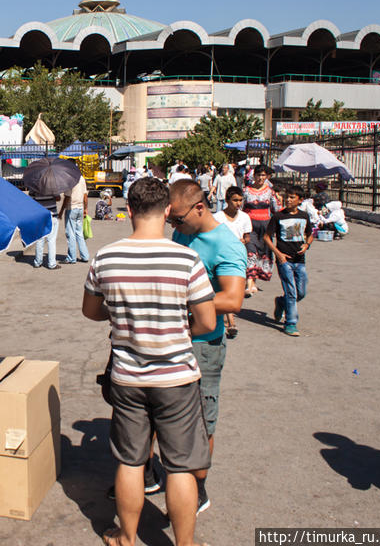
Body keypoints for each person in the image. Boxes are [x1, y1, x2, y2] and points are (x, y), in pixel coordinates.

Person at [82, 177, 217, 546]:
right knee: (181, 465)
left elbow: (91, 311)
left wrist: (124, 317)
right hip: (176, 378)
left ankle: (126, 537)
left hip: (126, 376)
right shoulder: (186, 258)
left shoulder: (106, 256)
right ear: (168, 210)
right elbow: (207, 321)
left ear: (129, 209)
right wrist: (177, 330)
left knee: (130, 461)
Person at [168, 180, 247, 512]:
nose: (174, 225)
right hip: (173, 340)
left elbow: (233, 298)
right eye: (170, 220)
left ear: (199, 207)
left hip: (204, 346)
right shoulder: (182, 233)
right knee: (166, 414)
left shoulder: (226, 245)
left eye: (178, 218)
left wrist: (185, 301)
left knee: (201, 422)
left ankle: (198, 486)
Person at [264, 185, 314, 337]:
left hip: (300, 260)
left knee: (301, 292)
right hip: (284, 260)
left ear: (300, 200)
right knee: (291, 292)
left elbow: (310, 234)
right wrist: (278, 254)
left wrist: (307, 244)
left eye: (292, 197)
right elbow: (267, 237)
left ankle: (281, 302)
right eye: (287, 197)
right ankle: (290, 323)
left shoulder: (304, 216)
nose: (288, 200)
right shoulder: (278, 216)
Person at [213, 186, 252, 338]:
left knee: (231, 291)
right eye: (235, 200)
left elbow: (247, 237)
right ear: (227, 200)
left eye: (240, 200)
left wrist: (243, 240)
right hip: (220, 256)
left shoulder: (244, 217)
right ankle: (230, 322)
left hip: (237, 257)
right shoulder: (217, 217)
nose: (238, 203)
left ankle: (229, 322)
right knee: (224, 290)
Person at [243, 165, 280, 296]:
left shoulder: (270, 191)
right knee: (251, 252)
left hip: (265, 226)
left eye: (263, 175)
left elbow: (276, 209)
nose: (260, 178)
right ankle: (249, 283)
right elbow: (240, 208)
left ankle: (254, 281)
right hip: (250, 226)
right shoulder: (246, 190)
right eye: (259, 175)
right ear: (254, 176)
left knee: (263, 252)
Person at [30, 190, 63, 269]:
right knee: (51, 240)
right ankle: (52, 264)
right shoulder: (52, 186)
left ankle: (38, 262)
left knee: (39, 239)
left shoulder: (34, 186)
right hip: (52, 216)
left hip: (39, 216)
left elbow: (31, 200)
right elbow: (58, 198)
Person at [63, 175, 90, 264]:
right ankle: (85, 256)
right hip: (80, 208)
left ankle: (71, 258)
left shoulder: (69, 179)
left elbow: (67, 197)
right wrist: (85, 208)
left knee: (70, 234)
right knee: (79, 233)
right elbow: (85, 195)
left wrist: (61, 211)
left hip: (71, 208)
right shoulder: (81, 178)